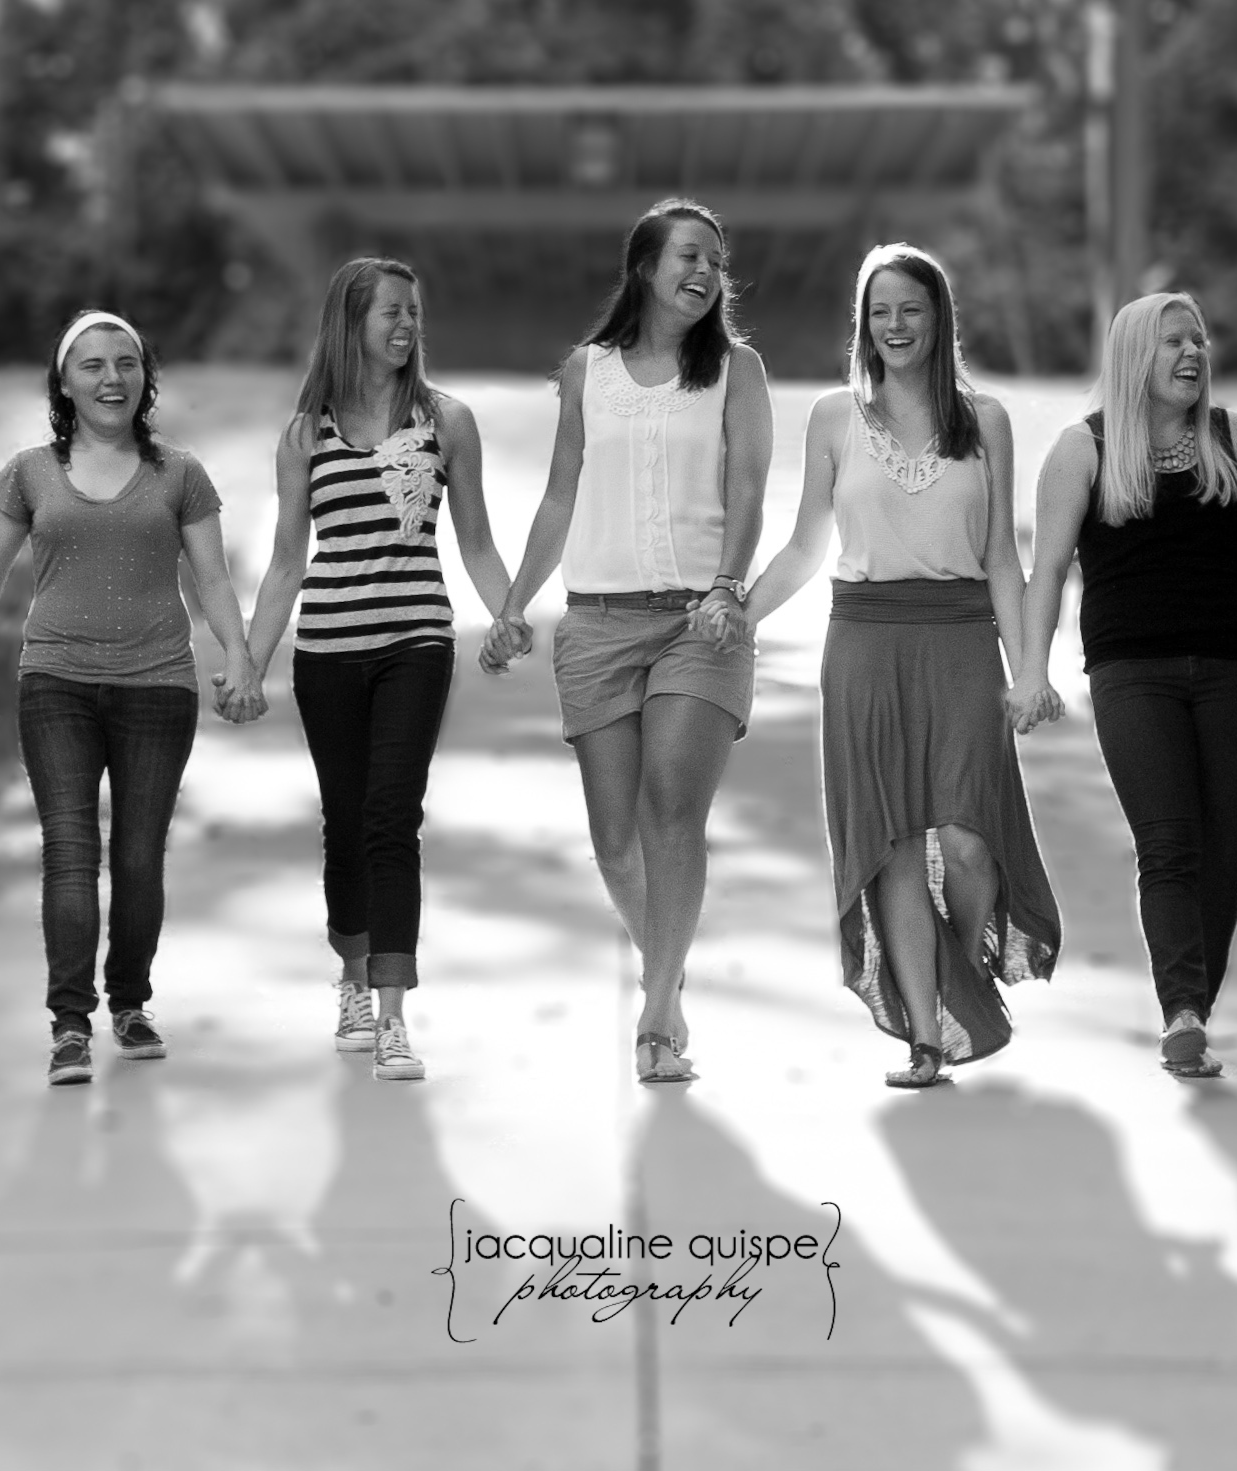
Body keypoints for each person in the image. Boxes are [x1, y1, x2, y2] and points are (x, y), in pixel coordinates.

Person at [1011, 292, 1237, 1079]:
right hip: (1131, 674)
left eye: (1198, 340)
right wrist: (1032, 669)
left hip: (1232, 669)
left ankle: (1193, 1006)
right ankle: (1183, 1011)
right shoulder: (1083, 449)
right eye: (1174, 341)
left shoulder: (1232, 439)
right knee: (1169, 842)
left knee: (1222, 850)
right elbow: (1049, 571)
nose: (1193, 353)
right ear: (1137, 353)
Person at [740, 244, 1062, 1087]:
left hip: (961, 643)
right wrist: (740, 611)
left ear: (938, 318)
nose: (895, 325)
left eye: (911, 308)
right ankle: (927, 1038)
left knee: (968, 841)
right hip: (863, 646)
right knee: (891, 849)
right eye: (879, 311)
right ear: (863, 323)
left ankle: (960, 974)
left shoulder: (985, 420)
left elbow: (1002, 557)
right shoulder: (832, 419)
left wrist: (1029, 668)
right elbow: (806, 545)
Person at [484, 198, 773, 1084]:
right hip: (597, 622)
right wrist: (513, 605)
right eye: (690, 255)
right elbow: (560, 493)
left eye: (717, 260)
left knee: (670, 809)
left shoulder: (738, 371)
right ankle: (669, 977)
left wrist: (728, 585)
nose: (706, 272)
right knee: (615, 842)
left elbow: (749, 488)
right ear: (645, 267)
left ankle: (653, 1022)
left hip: (699, 621)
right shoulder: (588, 370)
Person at [0, 310, 263, 1086]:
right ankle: (70, 1022)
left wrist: (240, 657)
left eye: (126, 362)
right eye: (92, 364)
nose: (111, 377)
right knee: (70, 849)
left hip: (158, 683)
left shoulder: (180, 473)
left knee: (139, 856)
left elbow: (212, 578)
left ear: (146, 377)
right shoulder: (28, 472)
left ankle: (130, 1001)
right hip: (57, 682)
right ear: (63, 382)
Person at [241, 258, 516, 1083]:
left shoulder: (447, 421)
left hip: (415, 643)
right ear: (350, 321)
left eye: (414, 312)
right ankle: (353, 980)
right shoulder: (305, 436)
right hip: (326, 651)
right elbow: (286, 561)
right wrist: (249, 665)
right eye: (391, 311)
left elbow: (475, 541)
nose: (407, 325)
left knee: (393, 818)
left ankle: (393, 1015)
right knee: (345, 823)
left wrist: (507, 613)